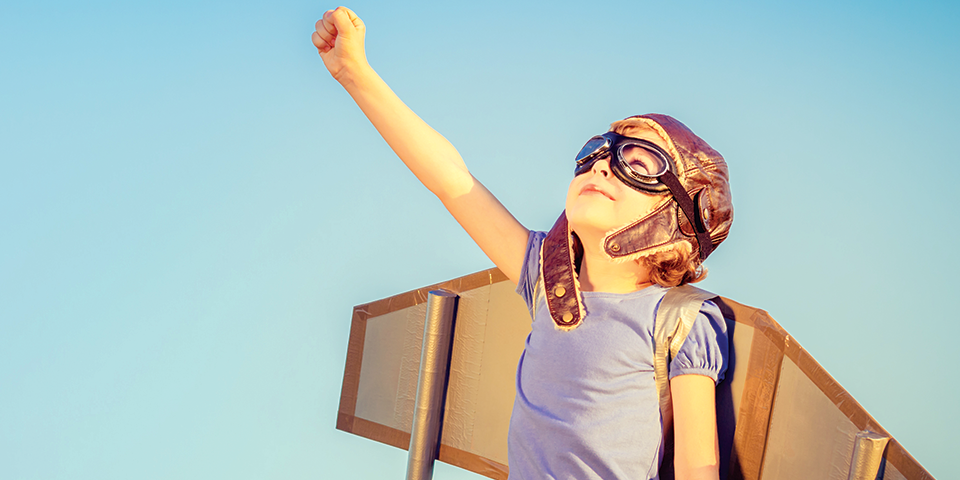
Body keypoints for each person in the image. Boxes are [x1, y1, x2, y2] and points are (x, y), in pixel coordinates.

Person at [312, 7, 733, 480]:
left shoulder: (681, 317)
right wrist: (355, 74)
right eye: (597, 152)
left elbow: (700, 465)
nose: (601, 166)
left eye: (636, 161)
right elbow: (452, 182)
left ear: (679, 212)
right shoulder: (548, 285)